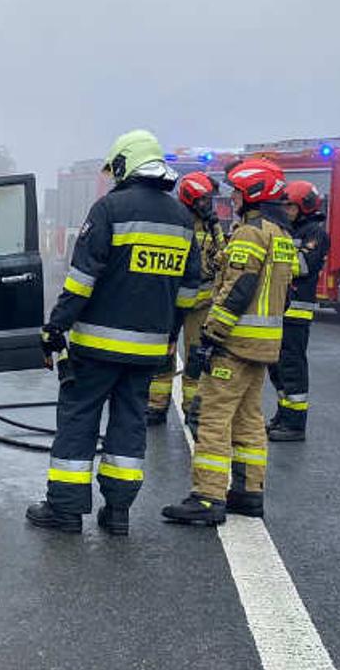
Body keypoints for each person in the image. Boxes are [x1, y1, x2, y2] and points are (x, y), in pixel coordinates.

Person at [27, 130, 205, 536]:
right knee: (129, 425)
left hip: (95, 349)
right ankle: (119, 512)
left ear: (126, 163)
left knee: (79, 421)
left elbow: (82, 280)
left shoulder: (109, 209)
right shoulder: (181, 219)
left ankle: (66, 511)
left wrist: (56, 326)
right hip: (147, 352)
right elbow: (189, 291)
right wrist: (168, 335)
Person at [162, 158, 294, 526]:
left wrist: (211, 335)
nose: (232, 197)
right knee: (250, 417)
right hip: (264, 345)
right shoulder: (281, 235)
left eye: (237, 190)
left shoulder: (251, 233)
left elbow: (238, 287)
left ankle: (207, 497)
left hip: (234, 344)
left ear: (252, 192)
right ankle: (249, 493)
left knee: (214, 418)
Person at [146, 172, 224, 426]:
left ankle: (193, 408)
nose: (208, 205)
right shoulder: (175, 222)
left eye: (209, 200)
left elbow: (222, 259)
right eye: (203, 200)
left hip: (201, 303)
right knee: (163, 354)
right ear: (190, 199)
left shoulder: (213, 226)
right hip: (172, 300)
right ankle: (156, 406)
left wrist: (216, 229)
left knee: (195, 357)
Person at [267, 180, 328, 442]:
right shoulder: (287, 230)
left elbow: (302, 266)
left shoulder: (315, 233)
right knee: (276, 367)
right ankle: (283, 413)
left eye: (290, 206)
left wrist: (274, 256)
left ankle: (295, 423)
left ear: (304, 207)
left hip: (297, 312)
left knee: (292, 367)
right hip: (280, 309)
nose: (285, 210)